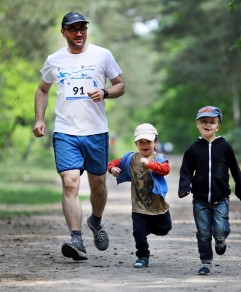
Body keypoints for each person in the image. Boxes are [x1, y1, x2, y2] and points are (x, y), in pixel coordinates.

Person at [32, 11, 125, 261]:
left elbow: (120, 85)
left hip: (95, 132)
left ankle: (95, 221)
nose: (79, 33)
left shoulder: (102, 55)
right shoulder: (54, 60)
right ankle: (76, 239)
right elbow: (42, 90)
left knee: (98, 185)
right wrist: (39, 119)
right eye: (73, 29)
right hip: (65, 132)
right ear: (63, 32)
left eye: (82, 28)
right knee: (70, 182)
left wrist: (105, 93)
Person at [178, 106, 241, 275]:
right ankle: (206, 262)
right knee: (203, 233)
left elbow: (234, 168)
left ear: (218, 126)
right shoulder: (193, 149)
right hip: (200, 200)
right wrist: (184, 187)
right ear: (197, 124)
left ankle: (221, 239)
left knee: (221, 229)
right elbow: (186, 171)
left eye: (212, 122)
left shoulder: (224, 146)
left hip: (221, 198)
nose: (208, 124)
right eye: (204, 121)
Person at [107, 123, 172, 268]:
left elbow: (166, 170)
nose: (144, 145)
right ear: (136, 143)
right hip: (138, 206)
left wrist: (150, 165)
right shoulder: (131, 158)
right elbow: (112, 163)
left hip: (157, 205)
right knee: (138, 232)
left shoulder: (159, 158)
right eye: (140, 142)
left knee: (165, 229)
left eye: (148, 141)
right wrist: (112, 169)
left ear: (155, 141)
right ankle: (142, 257)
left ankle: (148, 227)